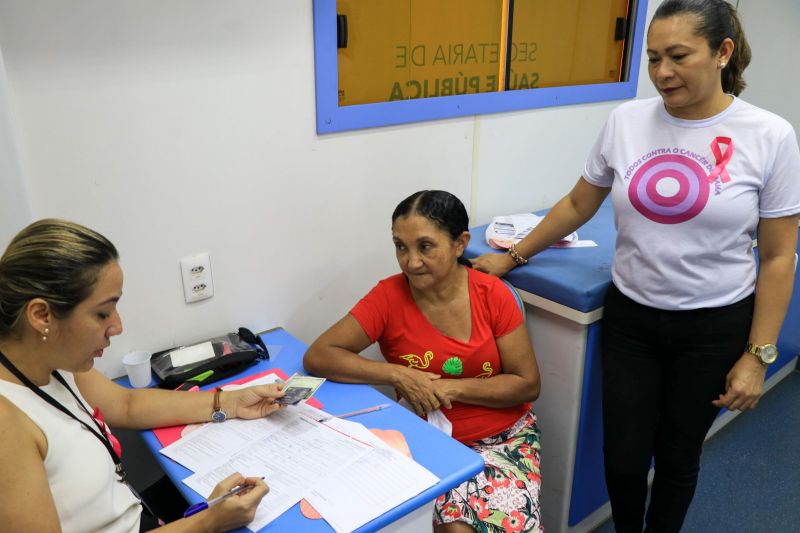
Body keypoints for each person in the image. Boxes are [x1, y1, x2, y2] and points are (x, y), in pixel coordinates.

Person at [472, 1, 800, 531]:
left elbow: (780, 256)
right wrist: (513, 256)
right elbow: (580, 203)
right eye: (652, 58)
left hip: (714, 326)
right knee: (623, 457)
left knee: (677, 456)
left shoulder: (769, 135)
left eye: (678, 56)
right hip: (633, 319)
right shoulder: (627, 120)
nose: (662, 72)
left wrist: (757, 356)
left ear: (723, 53)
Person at [0, 219, 286, 532]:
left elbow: (126, 404)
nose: (117, 327)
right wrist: (208, 522)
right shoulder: (8, 424)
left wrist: (231, 403)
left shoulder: (51, 362)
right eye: (102, 313)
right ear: (42, 316)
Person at [304, 190, 543, 533]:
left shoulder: (491, 296)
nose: (410, 261)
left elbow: (527, 383)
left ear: (460, 243)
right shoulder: (388, 297)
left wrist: (450, 388)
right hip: (425, 440)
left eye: (425, 247)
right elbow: (320, 355)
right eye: (400, 246)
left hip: (503, 438)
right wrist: (397, 375)